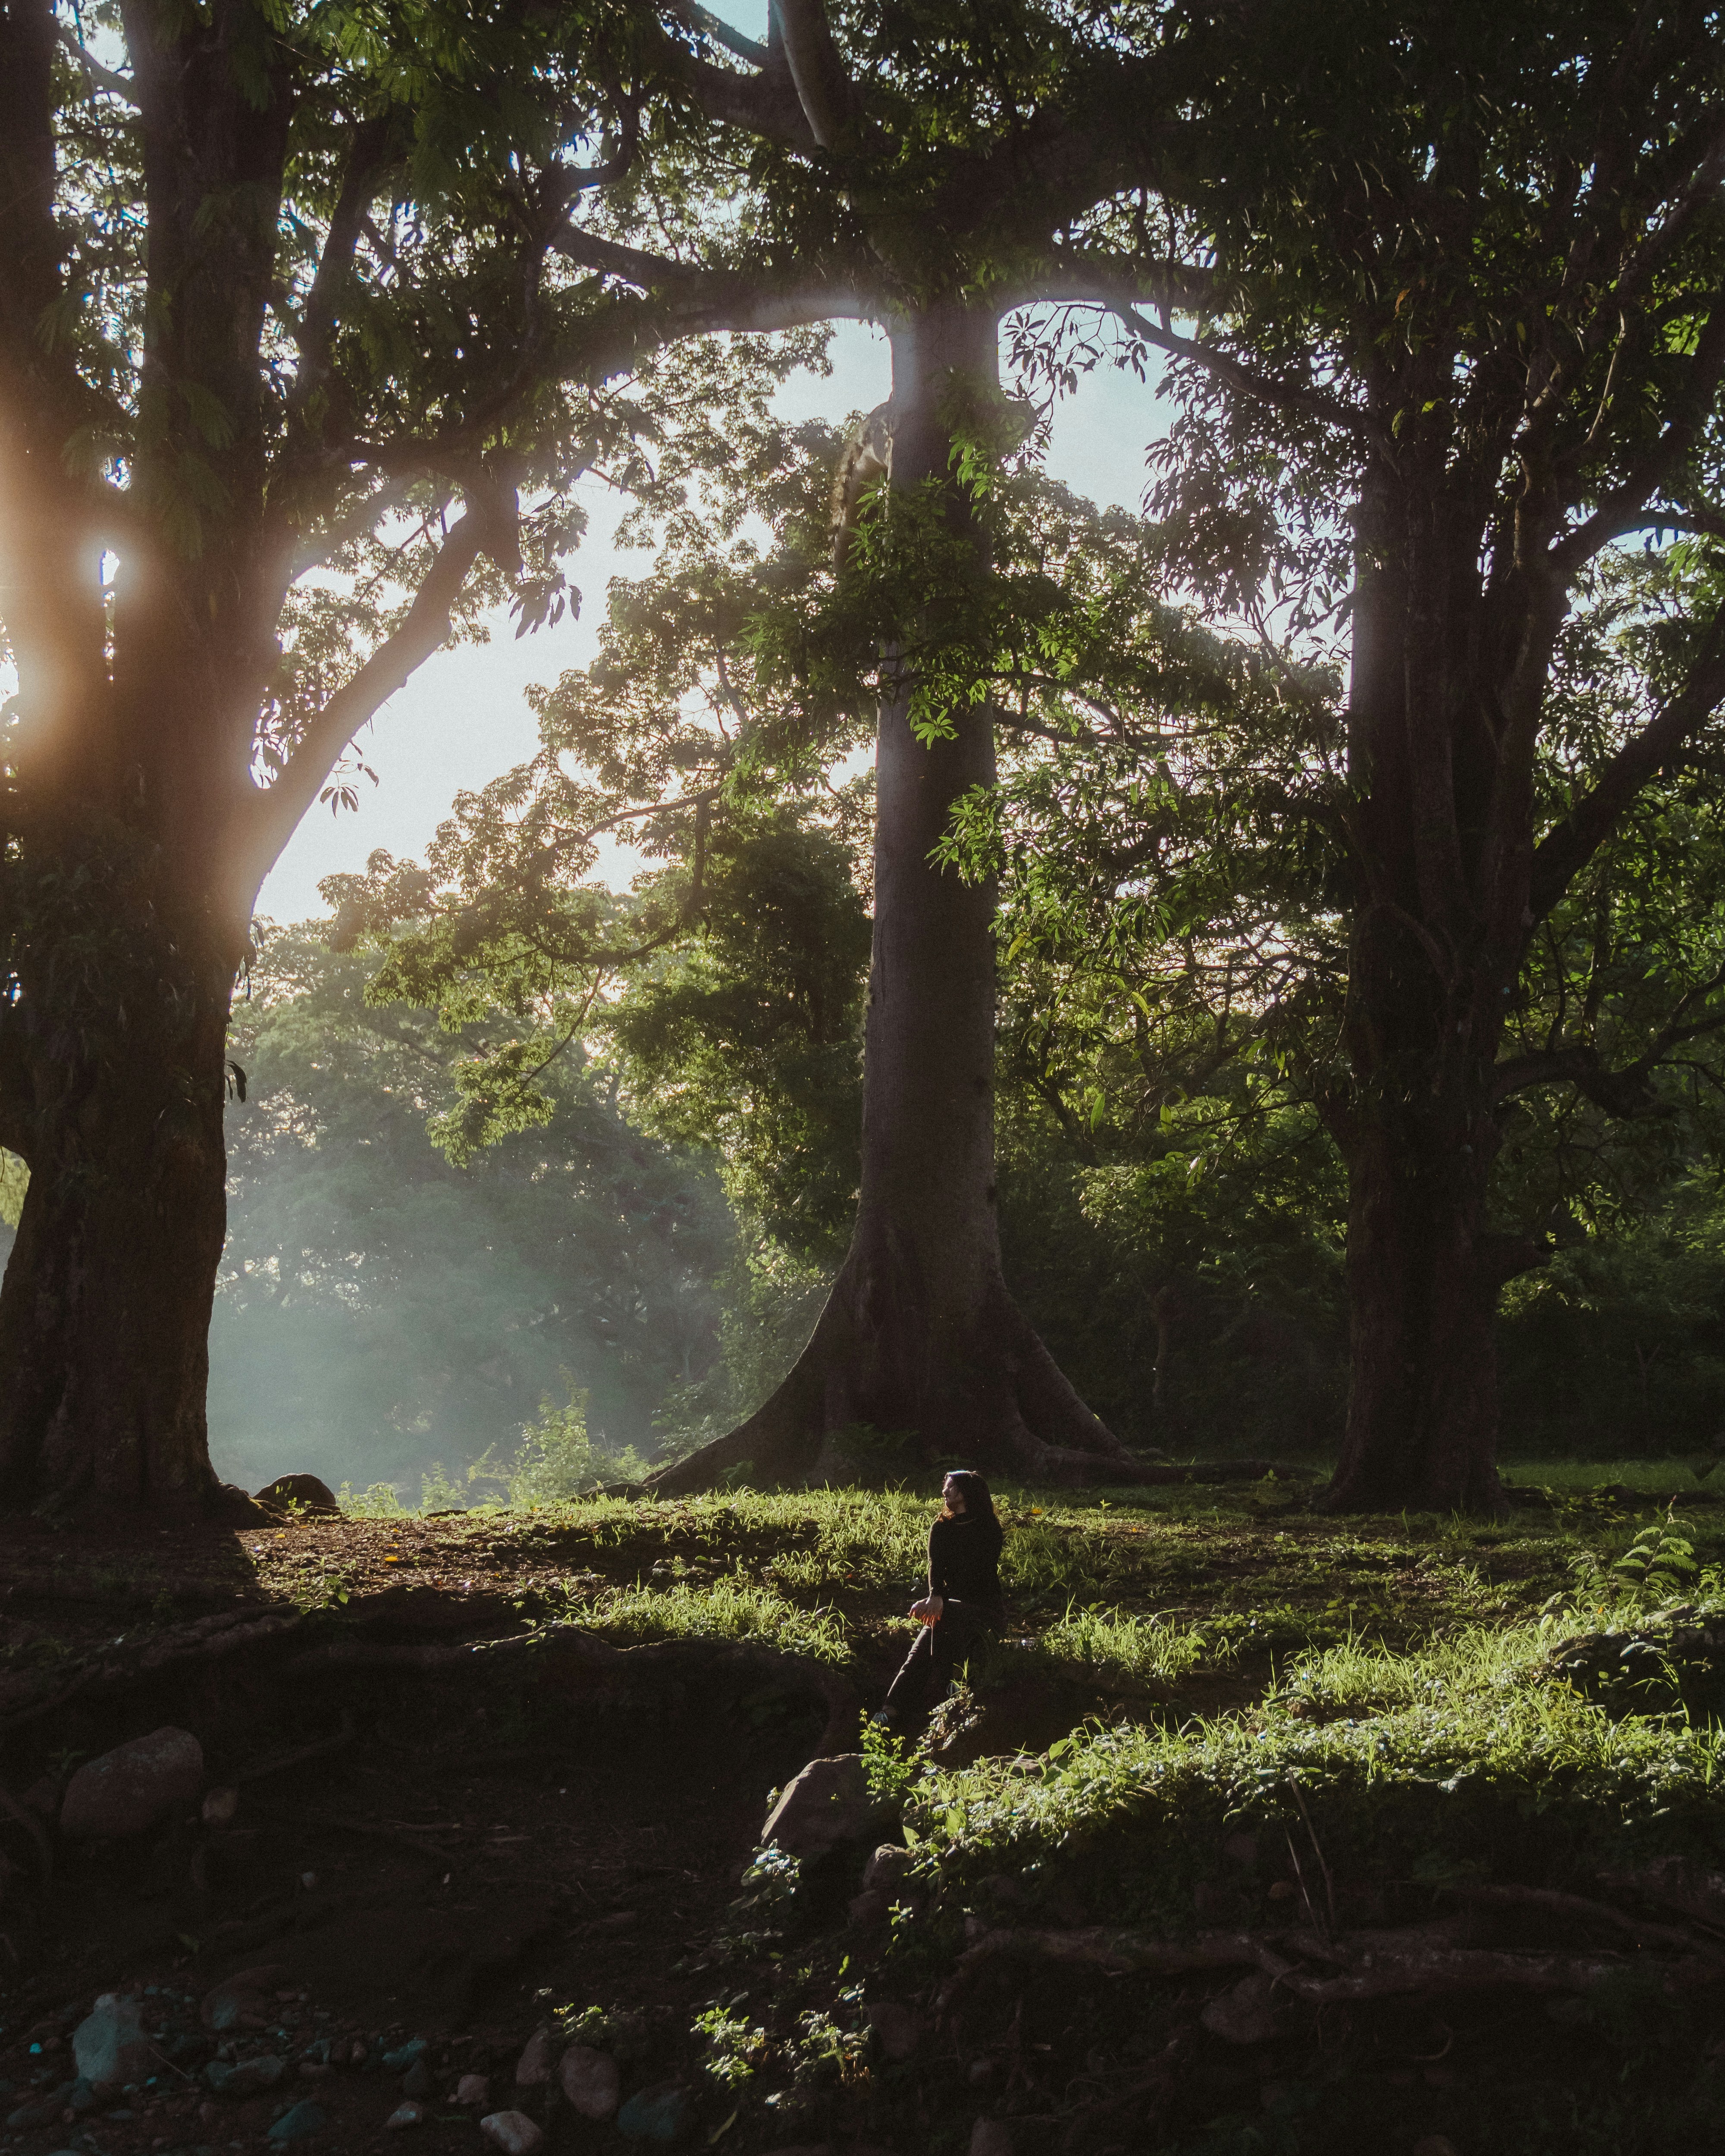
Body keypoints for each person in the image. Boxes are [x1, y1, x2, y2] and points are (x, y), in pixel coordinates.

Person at [880, 1469, 1006, 1726]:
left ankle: (947, 1685)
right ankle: (888, 1711)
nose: (944, 1492)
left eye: (949, 1487)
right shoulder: (941, 1528)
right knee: (918, 1651)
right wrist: (935, 1596)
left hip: (985, 1611)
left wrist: (940, 1601)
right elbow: (935, 1567)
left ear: (964, 1492)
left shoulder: (988, 1527)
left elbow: (980, 1574)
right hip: (948, 1610)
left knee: (939, 1618)